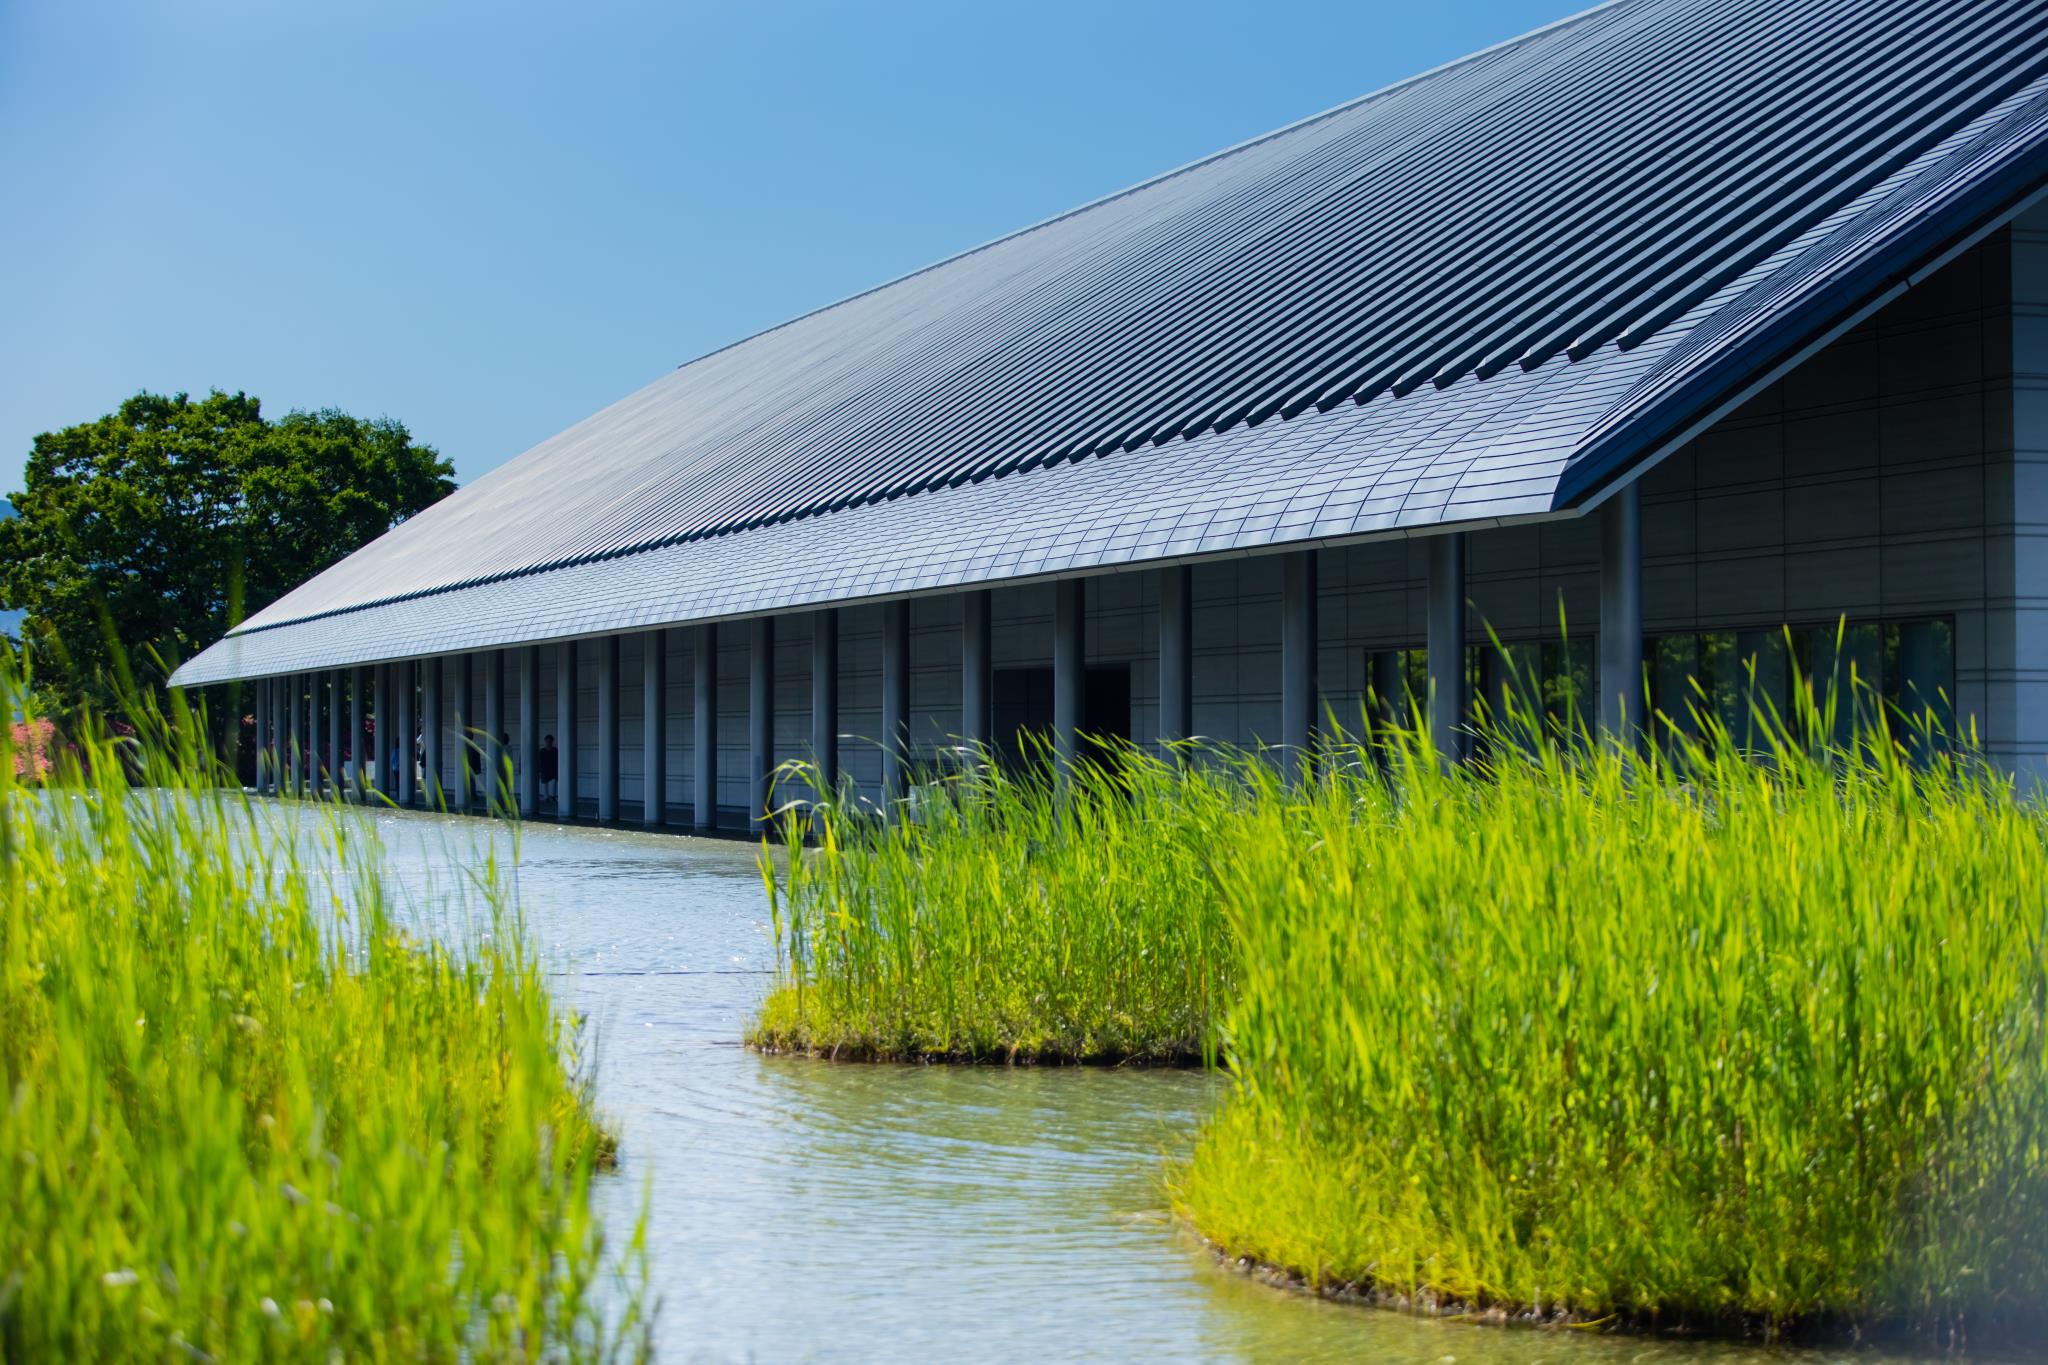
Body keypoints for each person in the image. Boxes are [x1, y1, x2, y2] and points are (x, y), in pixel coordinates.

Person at [538, 734, 560, 807]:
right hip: (544, 768)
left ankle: (552, 795)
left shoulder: (555, 750)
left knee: (554, 781)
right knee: (545, 783)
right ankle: (546, 796)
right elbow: (539, 761)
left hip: (553, 768)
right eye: (547, 741)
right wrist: (539, 769)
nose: (548, 743)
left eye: (550, 741)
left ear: (552, 742)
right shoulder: (542, 751)